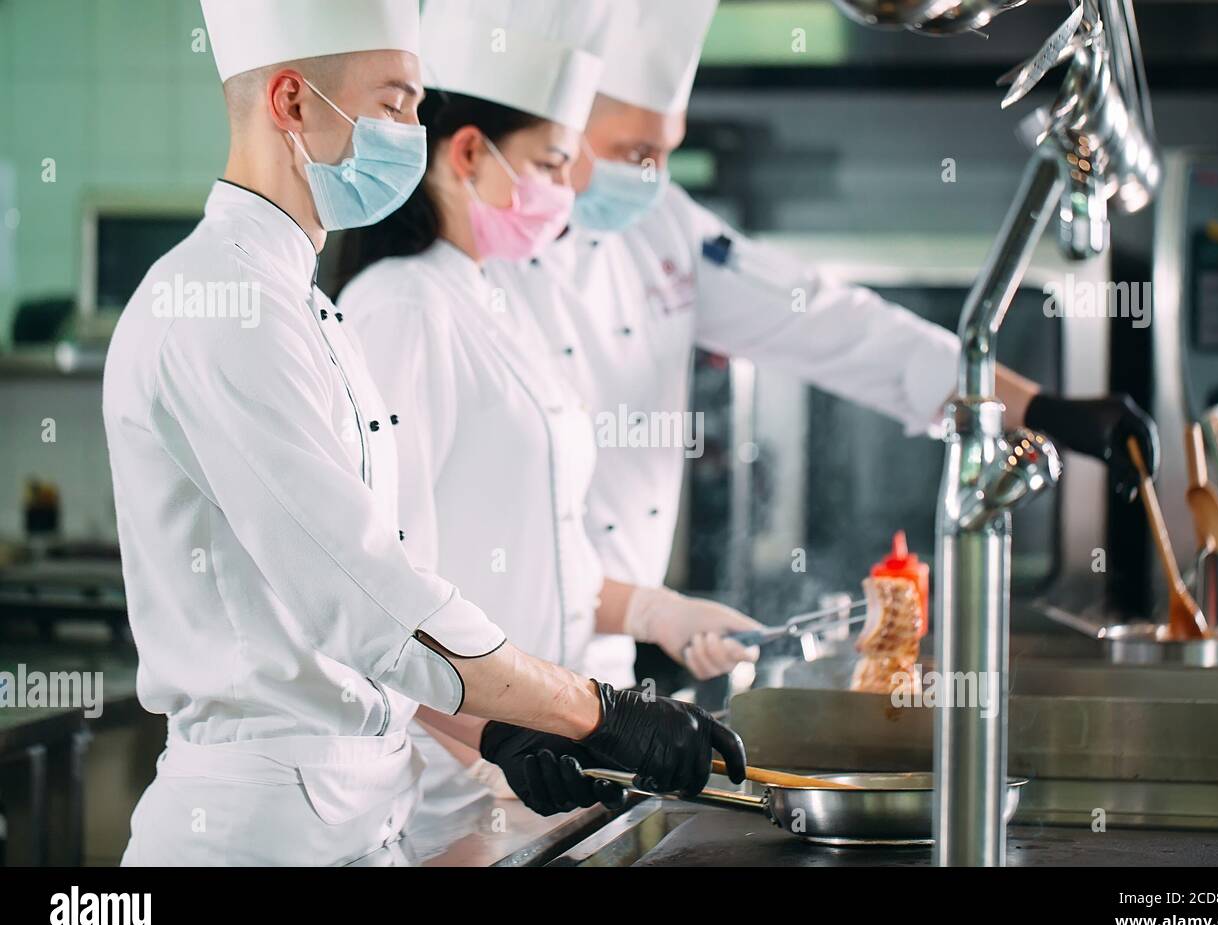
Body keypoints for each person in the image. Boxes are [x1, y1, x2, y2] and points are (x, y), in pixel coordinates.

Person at [102, 0, 743, 867]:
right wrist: (598, 712)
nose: (416, 131)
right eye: (398, 104)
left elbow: (374, 611)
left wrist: (500, 733)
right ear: (291, 104)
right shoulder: (224, 304)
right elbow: (367, 600)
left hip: (362, 815)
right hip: (254, 834)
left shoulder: (302, 302)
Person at [487, 0, 1161, 689]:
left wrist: (1040, 408)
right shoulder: (474, 269)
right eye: (637, 154)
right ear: (562, 134)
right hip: (494, 671)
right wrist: (657, 612)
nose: (653, 177)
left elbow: (837, 327)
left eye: (667, 153)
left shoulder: (661, 228)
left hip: (604, 677)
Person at [335, 0, 759, 830]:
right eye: (557, 163)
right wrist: (494, 740)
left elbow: (534, 555)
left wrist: (653, 612)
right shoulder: (399, 310)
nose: (571, 193)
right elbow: (370, 601)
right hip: (450, 783)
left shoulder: (495, 301)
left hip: (548, 762)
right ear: (467, 153)